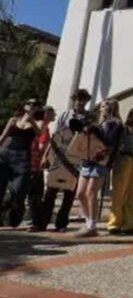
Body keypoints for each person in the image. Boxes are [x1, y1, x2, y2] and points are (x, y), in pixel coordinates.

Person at [37, 89, 91, 232]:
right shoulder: (65, 115)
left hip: (76, 158)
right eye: (78, 99)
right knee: (50, 190)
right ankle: (42, 222)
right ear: (74, 100)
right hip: (59, 155)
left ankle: (61, 224)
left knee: (69, 193)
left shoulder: (89, 117)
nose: (80, 102)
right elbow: (54, 137)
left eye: (83, 99)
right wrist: (46, 156)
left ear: (86, 101)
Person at [74, 99, 123, 238]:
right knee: (80, 193)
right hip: (88, 160)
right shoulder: (96, 123)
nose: (103, 108)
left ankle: (92, 225)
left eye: (106, 106)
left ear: (113, 108)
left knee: (91, 192)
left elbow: (109, 141)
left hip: (102, 161)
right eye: (102, 106)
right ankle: (88, 220)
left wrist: (95, 132)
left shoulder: (115, 124)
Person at [107, 106, 133, 235]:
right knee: (119, 194)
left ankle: (129, 224)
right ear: (131, 115)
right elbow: (116, 144)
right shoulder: (124, 129)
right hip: (124, 161)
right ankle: (114, 223)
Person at [0, 100, 40, 227]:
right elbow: (3, 136)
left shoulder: (37, 122)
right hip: (6, 154)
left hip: (23, 158)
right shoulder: (13, 120)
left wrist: (31, 119)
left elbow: (39, 134)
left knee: (18, 191)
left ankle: (13, 218)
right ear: (24, 106)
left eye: (35, 104)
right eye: (29, 103)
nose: (31, 105)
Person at [26, 106, 54, 230]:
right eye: (52, 113)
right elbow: (42, 146)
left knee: (34, 194)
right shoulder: (43, 128)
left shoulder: (40, 126)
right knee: (35, 195)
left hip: (34, 164)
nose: (55, 116)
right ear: (46, 114)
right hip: (35, 165)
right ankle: (36, 222)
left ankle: (36, 221)